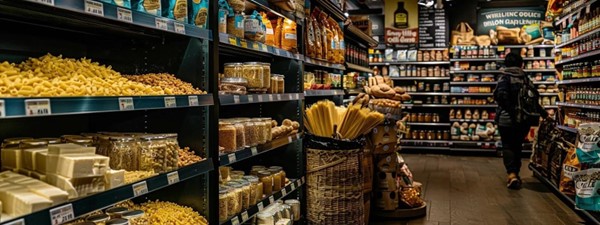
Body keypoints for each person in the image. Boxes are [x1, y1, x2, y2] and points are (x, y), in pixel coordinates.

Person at [494, 52, 548, 189]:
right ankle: (516, 174)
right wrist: (544, 114)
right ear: (521, 64)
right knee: (517, 145)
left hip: (506, 119)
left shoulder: (504, 78)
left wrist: (512, 111)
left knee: (507, 145)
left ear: (505, 64)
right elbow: (534, 101)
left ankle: (512, 174)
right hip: (523, 120)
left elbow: (501, 96)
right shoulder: (526, 79)